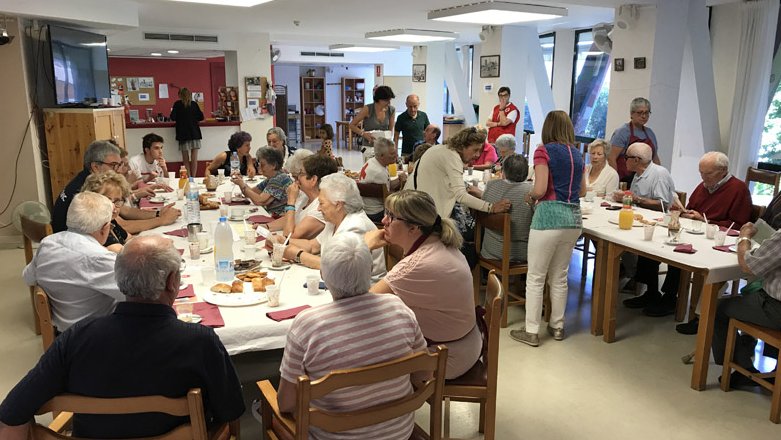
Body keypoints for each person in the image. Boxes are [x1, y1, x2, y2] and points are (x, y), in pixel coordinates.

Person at [1, 236, 245, 438]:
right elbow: (231, 411)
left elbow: (12, 412)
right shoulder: (200, 342)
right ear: (172, 283)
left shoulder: (76, 337)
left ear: (119, 280)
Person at [275, 233, 426, 439]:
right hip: (399, 433)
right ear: (371, 270)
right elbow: (423, 375)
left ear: (322, 274)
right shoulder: (398, 308)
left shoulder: (307, 325)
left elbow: (286, 404)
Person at [368, 190, 481, 379]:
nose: (384, 221)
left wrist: (365, 247)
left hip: (446, 357)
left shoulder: (417, 265)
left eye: (391, 216)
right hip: (465, 343)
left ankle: (393, 406)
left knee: (360, 356)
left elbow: (361, 304)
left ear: (414, 228)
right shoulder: (440, 242)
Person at [510, 110, 586, 347]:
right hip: (573, 218)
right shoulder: (578, 154)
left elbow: (541, 189)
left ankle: (532, 330)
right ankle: (557, 326)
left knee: (535, 277)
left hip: (549, 218)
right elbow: (582, 191)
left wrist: (530, 196)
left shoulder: (544, 150)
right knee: (560, 277)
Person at [666, 152, 753, 332]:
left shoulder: (738, 189)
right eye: (701, 173)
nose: (703, 178)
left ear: (723, 171)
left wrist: (707, 221)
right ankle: (668, 297)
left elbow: (739, 224)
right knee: (674, 251)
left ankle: (700, 317)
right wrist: (687, 213)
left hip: (722, 240)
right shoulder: (705, 185)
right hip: (697, 234)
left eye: (708, 173)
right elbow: (693, 207)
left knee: (708, 268)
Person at [23, 192, 124, 332]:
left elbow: (28, 277)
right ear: (105, 228)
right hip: (94, 334)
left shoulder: (47, 243)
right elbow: (137, 295)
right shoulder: (99, 258)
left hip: (63, 330)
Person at [266, 173, 386, 283]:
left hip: (362, 291)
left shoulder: (356, 227)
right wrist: (283, 241)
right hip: (340, 283)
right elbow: (313, 246)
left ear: (338, 204)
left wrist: (296, 254)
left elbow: (333, 266)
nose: (318, 208)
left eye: (321, 203)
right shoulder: (335, 219)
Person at [52, 140, 180, 234]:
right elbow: (122, 226)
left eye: (119, 165)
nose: (119, 171)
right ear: (95, 167)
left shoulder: (89, 179)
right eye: (114, 165)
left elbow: (124, 210)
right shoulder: (90, 190)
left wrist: (157, 214)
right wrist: (162, 220)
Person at [614, 143, 681, 316]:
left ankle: (661, 296)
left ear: (636, 160)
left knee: (647, 251)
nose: (624, 161)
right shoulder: (638, 174)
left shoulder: (658, 174)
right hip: (643, 221)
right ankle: (650, 292)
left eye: (626, 157)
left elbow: (662, 204)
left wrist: (635, 198)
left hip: (660, 223)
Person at [711, 224, 781, 388]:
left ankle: (744, 369)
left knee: (718, 309)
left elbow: (748, 266)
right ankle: (775, 371)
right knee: (749, 293)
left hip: (775, 308)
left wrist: (744, 237)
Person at [408, 127, 511, 222]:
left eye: (479, 150)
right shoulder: (452, 157)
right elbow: (461, 196)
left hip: (415, 206)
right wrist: (491, 207)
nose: (477, 155)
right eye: (475, 150)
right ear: (462, 146)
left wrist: (467, 187)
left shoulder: (442, 149)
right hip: (423, 213)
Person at [475, 154, 533, 262]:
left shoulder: (491, 185)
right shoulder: (531, 191)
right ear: (526, 172)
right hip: (523, 253)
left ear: (504, 171)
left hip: (490, 251)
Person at [266, 153, 338, 239]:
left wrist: (291, 202)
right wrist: (266, 227)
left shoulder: (320, 208)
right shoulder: (305, 196)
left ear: (313, 180)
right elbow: (292, 218)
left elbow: (288, 237)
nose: (297, 178)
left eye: (301, 173)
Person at [609, 97, 661, 183]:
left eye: (646, 113)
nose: (643, 116)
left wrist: (658, 178)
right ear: (631, 114)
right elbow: (611, 158)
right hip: (624, 180)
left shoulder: (650, 133)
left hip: (645, 180)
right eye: (640, 113)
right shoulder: (622, 132)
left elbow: (655, 158)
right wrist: (615, 181)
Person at [81, 171, 133, 252]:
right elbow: (123, 254)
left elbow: (130, 239)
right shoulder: (96, 228)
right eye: (107, 201)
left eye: (117, 201)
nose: (113, 207)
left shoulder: (111, 221)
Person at [358, 137, 406, 223]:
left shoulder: (371, 161)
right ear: (382, 156)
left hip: (365, 208)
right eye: (392, 153)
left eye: (395, 152)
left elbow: (386, 187)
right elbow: (387, 197)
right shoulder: (379, 172)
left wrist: (399, 179)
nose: (396, 156)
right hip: (375, 213)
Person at [233, 147, 292, 216]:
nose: (259, 167)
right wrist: (240, 182)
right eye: (259, 164)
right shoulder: (272, 177)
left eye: (263, 165)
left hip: (279, 217)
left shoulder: (279, 179)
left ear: (273, 165)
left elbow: (259, 200)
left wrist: (242, 184)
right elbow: (250, 193)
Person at [349, 85, 395, 153]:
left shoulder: (391, 110)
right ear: (379, 99)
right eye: (386, 100)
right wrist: (363, 134)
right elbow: (351, 125)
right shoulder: (367, 109)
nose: (389, 103)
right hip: (369, 146)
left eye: (390, 100)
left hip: (384, 148)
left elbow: (390, 131)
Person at [169, 87, 204, 176]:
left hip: (182, 134)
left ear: (179, 95)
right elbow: (201, 117)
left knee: (185, 158)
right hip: (194, 133)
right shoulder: (194, 104)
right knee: (194, 158)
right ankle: (194, 177)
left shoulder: (177, 104)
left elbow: (172, 117)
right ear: (190, 95)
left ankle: (188, 177)